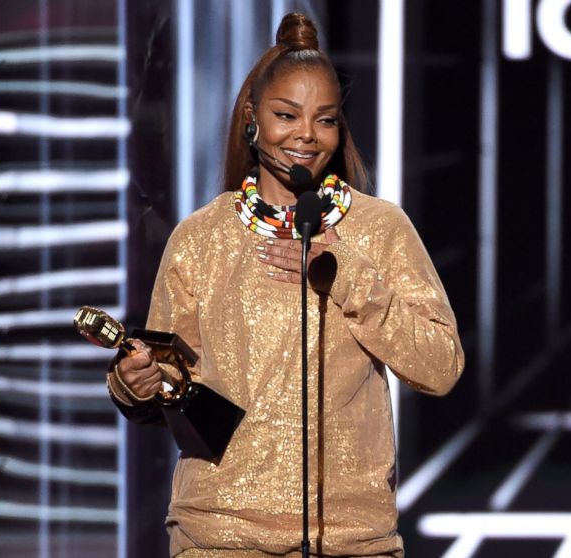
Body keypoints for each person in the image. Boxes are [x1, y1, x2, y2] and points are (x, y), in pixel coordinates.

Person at [106, 12, 464, 558]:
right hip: (220, 537)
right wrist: (139, 380)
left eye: (326, 119)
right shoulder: (202, 237)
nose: (306, 134)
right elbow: (172, 376)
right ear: (252, 119)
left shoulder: (379, 229)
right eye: (286, 115)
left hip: (351, 541)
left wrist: (346, 279)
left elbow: (440, 366)